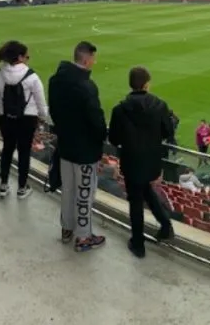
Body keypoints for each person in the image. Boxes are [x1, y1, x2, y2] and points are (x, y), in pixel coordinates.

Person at [107, 65, 175, 258]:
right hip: (151, 160)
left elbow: (113, 139)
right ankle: (164, 226)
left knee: (136, 199)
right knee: (145, 191)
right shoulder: (160, 105)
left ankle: (139, 242)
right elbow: (168, 132)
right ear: (146, 84)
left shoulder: (120, 109)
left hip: (131, 160)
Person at [48, 41, 107, 252]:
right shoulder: (86, 86)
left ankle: (66, 228)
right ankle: (83, 238)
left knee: (69, 190)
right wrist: (101, 138)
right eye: (93, 58)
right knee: (84, 193)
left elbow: (53, 111)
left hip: (65, 146)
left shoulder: (55, 81)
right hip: (84, 151)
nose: (94, 62)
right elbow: (96, 120)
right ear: (86, 58)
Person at [0, 40, 48, 200]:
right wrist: (43, 117)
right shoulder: (32, 77)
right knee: (24, 152)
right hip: (27, 119)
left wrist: (3, 112)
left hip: (6, 118)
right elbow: (41, 103)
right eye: (26, 56)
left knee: (7, 150)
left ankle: (3, 184)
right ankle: (22, 187)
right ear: (20, 57)